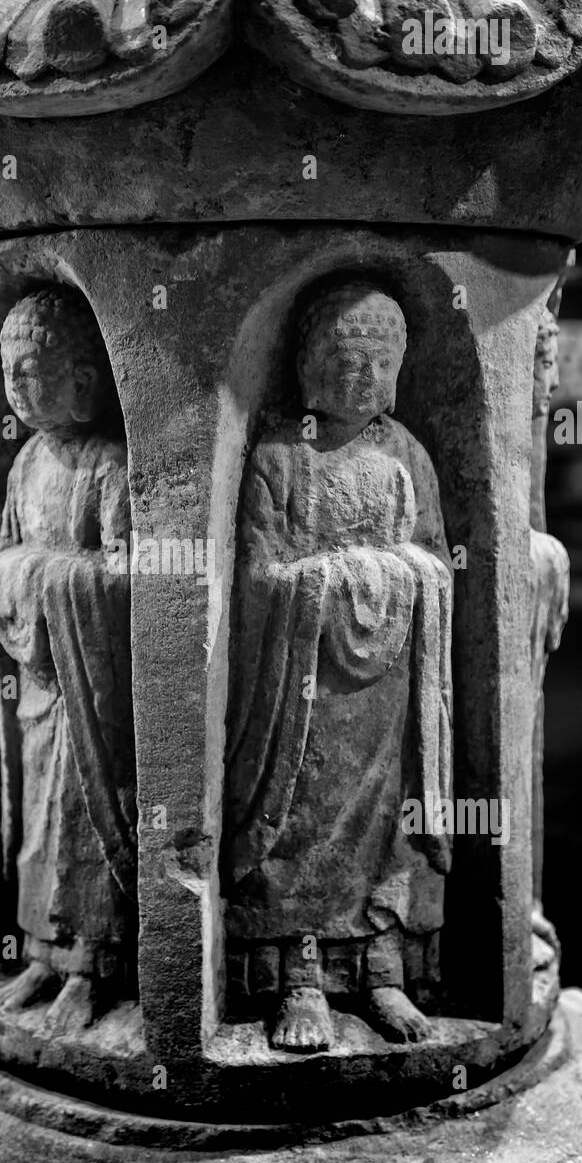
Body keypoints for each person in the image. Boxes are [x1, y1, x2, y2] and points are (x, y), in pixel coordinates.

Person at [224, 282, 453, 1053]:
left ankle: (385, 971)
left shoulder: (405, 454)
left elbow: (434, 560)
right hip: (301, 690)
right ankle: (303, 977)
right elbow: (258, 576)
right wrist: (328, 580)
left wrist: (395, 574)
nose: (360, 375)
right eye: (344, 358)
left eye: (377, 361)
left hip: (385, 692)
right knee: (296, 823)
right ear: (306, 364)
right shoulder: (280, 457)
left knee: (388, 829)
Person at [0, 286, 136, 1034]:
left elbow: (124, 575)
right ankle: (43, 954)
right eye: (10, 371)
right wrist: (26, 576)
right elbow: (7, 558)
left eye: (35, 370)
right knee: (41, 824)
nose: (19, 385)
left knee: (84, 815)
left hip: (90, 685)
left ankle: (92, 965)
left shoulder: (109, 464)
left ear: (83, 379)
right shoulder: (25, 465)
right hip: (44, 679)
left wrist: (51, 577)